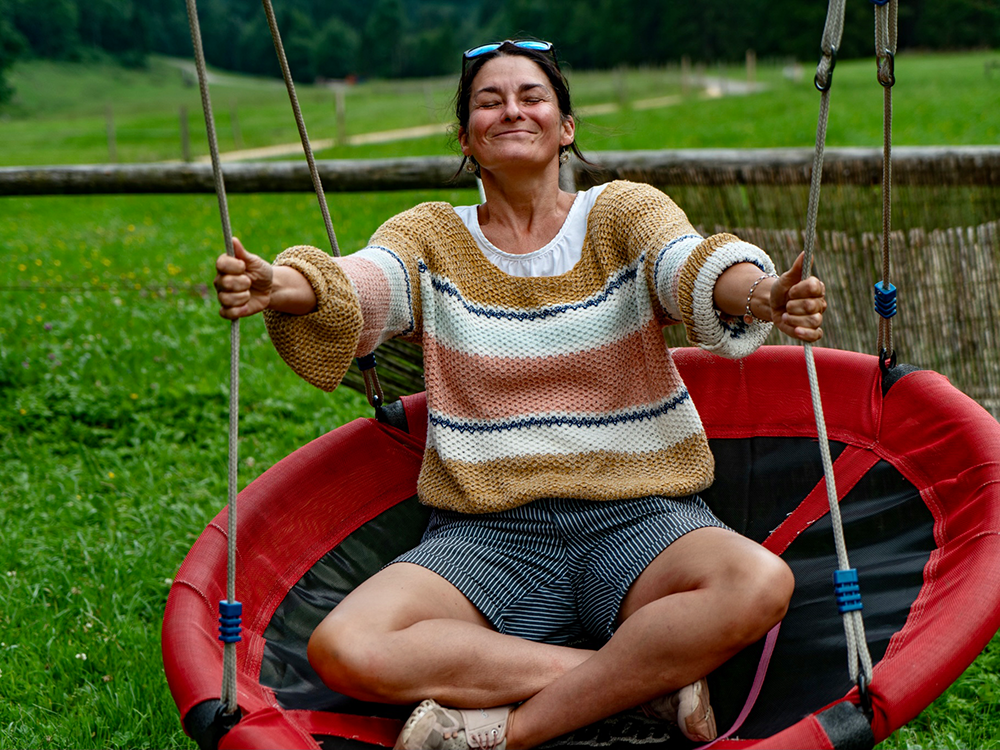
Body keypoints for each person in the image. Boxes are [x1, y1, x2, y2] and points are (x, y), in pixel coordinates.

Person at [214, 40, 827, 750]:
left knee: (758, 581)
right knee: (346, 646)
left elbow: (686, 265)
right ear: (467, 137)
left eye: (531, 96)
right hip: (488, 535)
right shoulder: (430, 236)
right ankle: (644, 681)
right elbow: (362, 285)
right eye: (489, 100)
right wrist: (284, 287)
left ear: (565, 125)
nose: (512, 110)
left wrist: (761, 293)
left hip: (641, 517)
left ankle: (512, 733)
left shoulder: (621, 214)